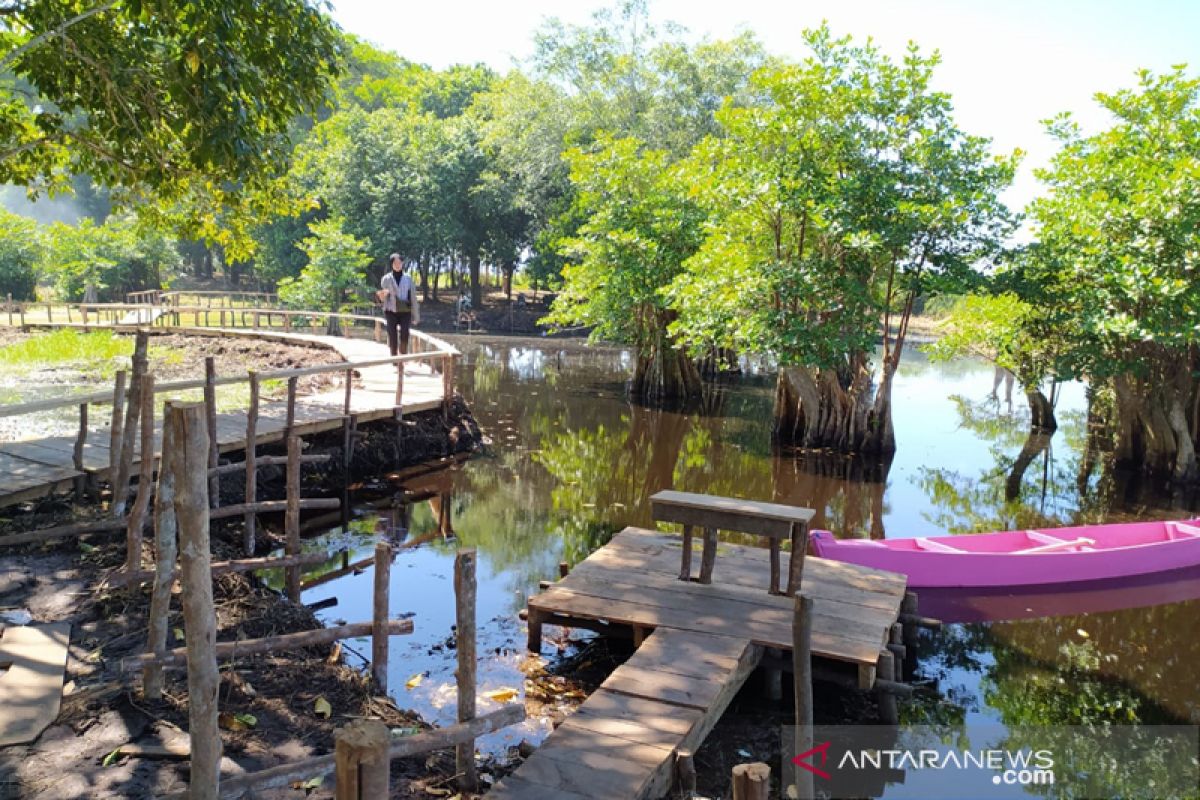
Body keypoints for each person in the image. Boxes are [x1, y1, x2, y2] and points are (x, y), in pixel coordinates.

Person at [376, 253, 414, 355]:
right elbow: (382, 298)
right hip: (390, 310)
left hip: (405, 310)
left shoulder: (408, 278)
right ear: (391, 264)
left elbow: (412, 296)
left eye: (399, 262)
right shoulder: (386, 278)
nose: (397, 264)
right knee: (392, 335)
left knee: (405, 334)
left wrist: (415, 313)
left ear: (402, 263)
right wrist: (382, 296)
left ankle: (403, 356)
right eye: (395, 262)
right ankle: (394, 358)